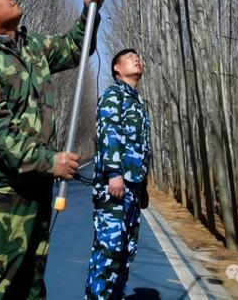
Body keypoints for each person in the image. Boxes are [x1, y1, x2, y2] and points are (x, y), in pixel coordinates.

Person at [0, 0, 106, 300]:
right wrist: (51, 161)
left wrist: (89, 11)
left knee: (30, 287)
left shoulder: (32, 47)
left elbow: (74, 48)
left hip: (34, 195)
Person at [85, 47, 151, 300]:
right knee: (109, 252)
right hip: (115, 187)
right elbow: (108, 135)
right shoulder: (114, 96)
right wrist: (113, 173)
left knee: (125, 252)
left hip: (132, 188)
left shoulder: (139, 102)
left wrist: (142, 186)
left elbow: (142, 147)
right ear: (117, 68)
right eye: (130, 58)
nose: (137, 59)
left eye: (138, 57)